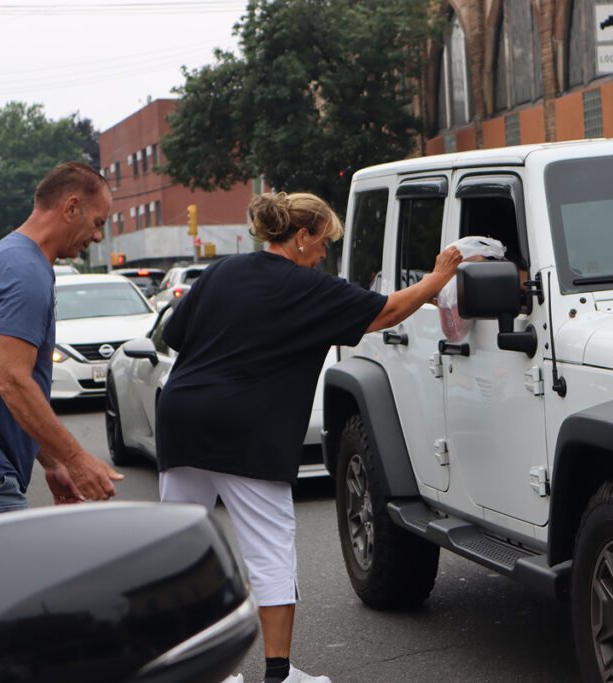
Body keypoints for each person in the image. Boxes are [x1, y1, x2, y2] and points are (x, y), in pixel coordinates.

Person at [156, 191, 462, 683]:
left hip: (182, 416)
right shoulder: (308, 288)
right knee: (270, 547)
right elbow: (387, 311)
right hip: (247, 430)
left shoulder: (220, 273)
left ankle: (196, 673)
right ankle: (278, 674)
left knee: (177, 548)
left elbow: (174, 335)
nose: (324, 255)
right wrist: (438, 278)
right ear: (301, 238)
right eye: (323, 244)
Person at [0, 162, 124, 514]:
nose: (97, 237)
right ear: (71, 207)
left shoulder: (11, 257)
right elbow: (12, 381)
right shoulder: (24, 271)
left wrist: (52, 462)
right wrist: (75, 458)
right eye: (98, 223)